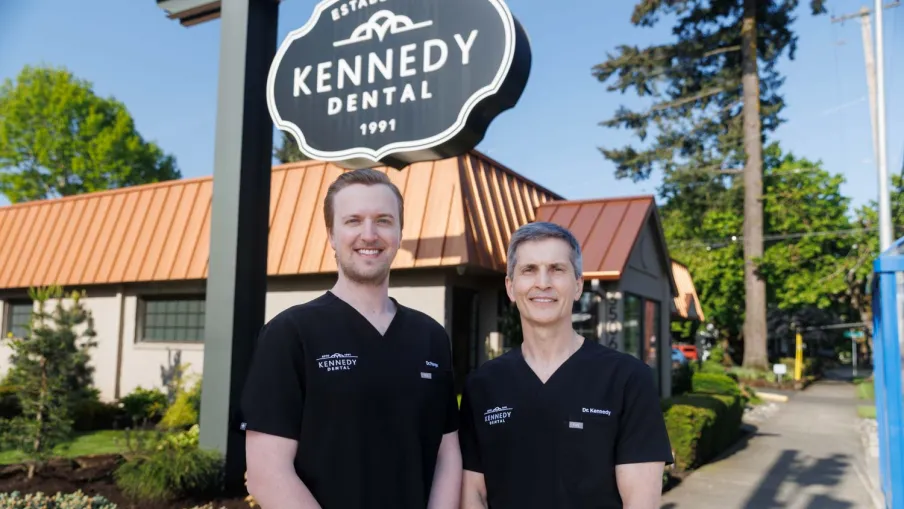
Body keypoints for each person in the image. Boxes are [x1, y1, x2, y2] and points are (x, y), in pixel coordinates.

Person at [240, 168, 462, 509]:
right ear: (331, 234)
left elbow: (447, 454)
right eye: (353, 220)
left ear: (400, 232)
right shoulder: (290, 333)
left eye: (384, 220)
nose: (369, 234)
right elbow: (266, 472)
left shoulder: (431, 337)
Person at [458, 221, 674, 509]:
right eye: (529, 270)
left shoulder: (628, 379)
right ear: (510, 287)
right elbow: (474, 493)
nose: (543, 283)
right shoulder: (482, 385)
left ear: (577, 286)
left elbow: (640, 502)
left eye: (557, 269)